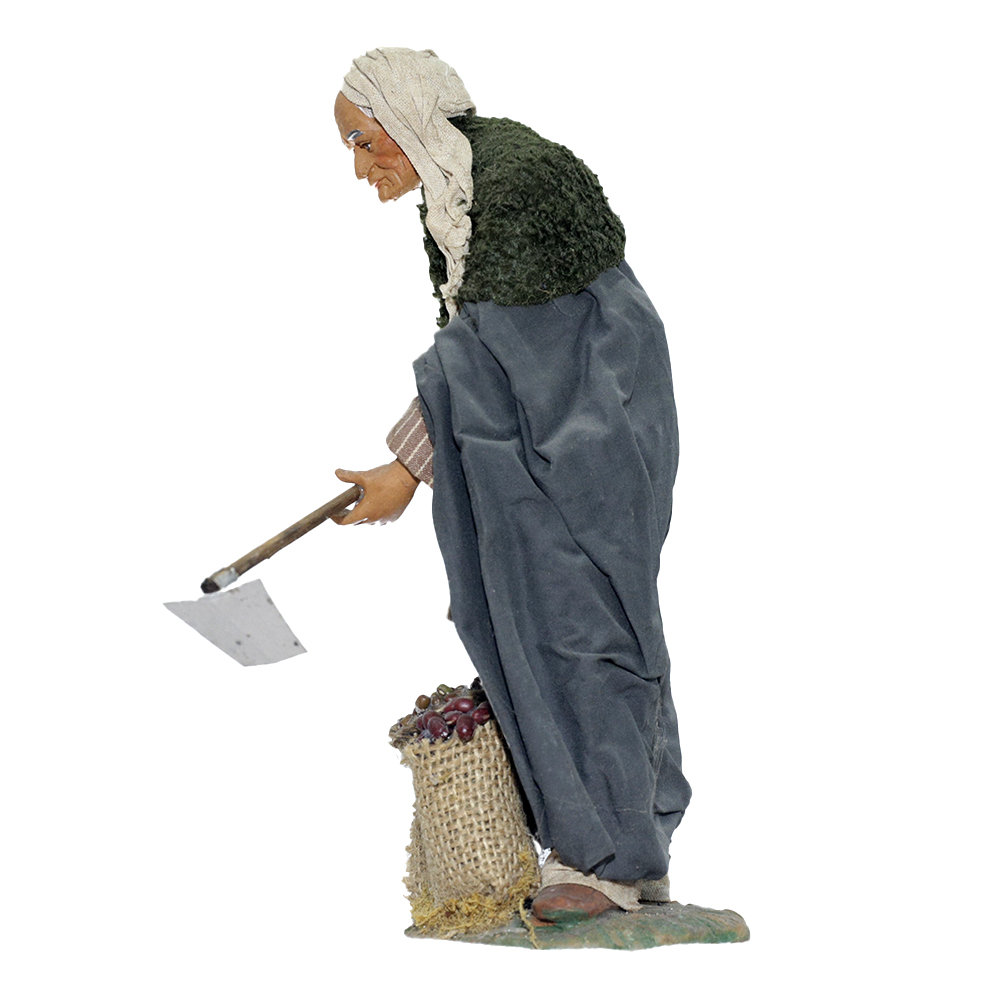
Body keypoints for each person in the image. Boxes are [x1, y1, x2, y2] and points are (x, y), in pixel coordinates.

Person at [332, 47, 692, 923]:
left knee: (582, 625)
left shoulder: (514, 183)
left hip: (583, 437)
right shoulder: (457, 194)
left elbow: (509, 350)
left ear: (408, 118)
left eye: (364, 142)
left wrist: (406, 470)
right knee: (540, 620)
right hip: (543, 435)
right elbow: (482, 357)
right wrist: (412, 463)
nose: (360, 168)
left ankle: (608, 859)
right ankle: (618, 847)